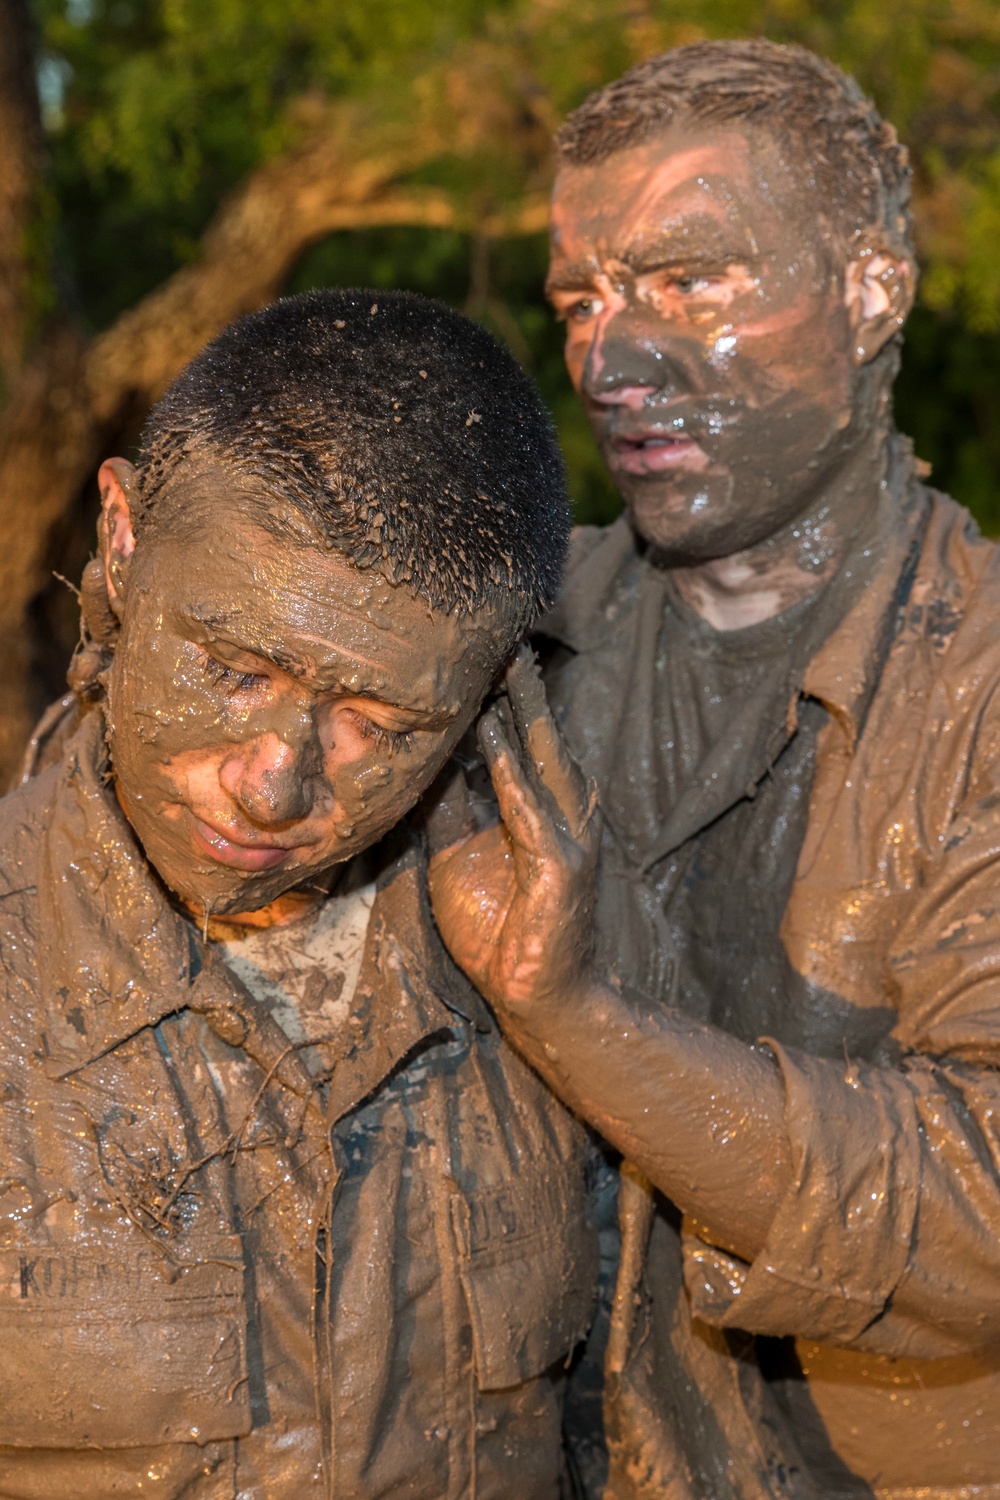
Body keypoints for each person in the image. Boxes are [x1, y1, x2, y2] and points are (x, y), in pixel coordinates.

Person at [430, 39, 1000, 1500]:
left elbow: (982, 1208)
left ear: (871, 294)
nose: (612, 356)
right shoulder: (506, 646)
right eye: (582, 297)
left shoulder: (978, 678)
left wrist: (580, 1020)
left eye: (692, 282)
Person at [0, 287, 597, 1499]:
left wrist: (582, 1019)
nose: (274, 786)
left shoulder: (556, 970)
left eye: (380, 723)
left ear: (495, 692)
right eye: (229, 668)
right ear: (120, 537)